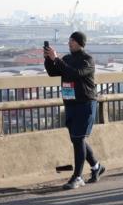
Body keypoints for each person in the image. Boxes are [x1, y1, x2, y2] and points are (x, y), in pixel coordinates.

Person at [44, 31, 103, 190]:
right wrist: (48, 59)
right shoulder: (67, 59)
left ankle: (77, 177)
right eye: (69, 40)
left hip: (85, 103)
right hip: (70, 103)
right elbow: (53, 72)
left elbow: (74, 73)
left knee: (78, 138)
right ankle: (97, 167)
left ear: (80, 43)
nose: (69, 43)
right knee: (77, 139)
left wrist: (57, 59)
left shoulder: (87, 60)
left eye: (73, 40)